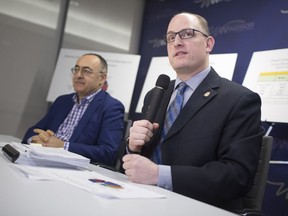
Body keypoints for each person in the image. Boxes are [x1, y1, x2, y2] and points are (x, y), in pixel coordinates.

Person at [121, 12, 264, 212]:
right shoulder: (156, 94)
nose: (177, 42)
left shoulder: (239, 100)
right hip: (139, 200)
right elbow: (133, 162)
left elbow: (237, 176)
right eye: (171, 37)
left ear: (208, 44)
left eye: (187, 34)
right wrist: (132, 147)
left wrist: (158, 175)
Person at [22, 53, 125, 166]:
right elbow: (34, 130)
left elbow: (109, 153)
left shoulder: (111, 107)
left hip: (73, 168)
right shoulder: (62, 101)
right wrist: (36, 140)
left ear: (102, 78)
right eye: (76, 69)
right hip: (42, 158)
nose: (78, 75)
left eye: (86, 71)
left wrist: (63, 146)